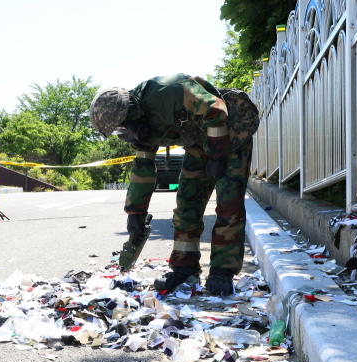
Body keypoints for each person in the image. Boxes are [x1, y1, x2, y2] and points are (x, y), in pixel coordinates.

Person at [89, 73, 259, 296]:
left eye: (121, 128)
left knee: (229, 205)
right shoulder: (139, 127)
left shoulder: (168, 90)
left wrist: (217, 156)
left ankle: (222, 272)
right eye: (116, 132)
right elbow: (143, 169)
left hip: (231, 130)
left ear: (129, 112)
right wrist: (135, 214)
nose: (122, 135)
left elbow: (216, 109)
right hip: (199, 145)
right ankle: (184, 269)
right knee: (187, 206)